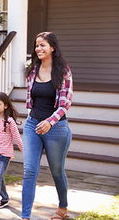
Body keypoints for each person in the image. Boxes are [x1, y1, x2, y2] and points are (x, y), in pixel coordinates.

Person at [22, 32, 73, 220]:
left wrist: (50, 122)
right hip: (33, 125)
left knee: (57, 170)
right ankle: (25, 216)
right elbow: (31, 99)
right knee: (29, 170)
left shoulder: (63, 71)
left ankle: (62, 208)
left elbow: (65, 103)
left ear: (52, 47)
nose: (38, 49)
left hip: (57, 128)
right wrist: (31, 117)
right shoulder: (33, 69)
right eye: (36, 45)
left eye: (42, 45)